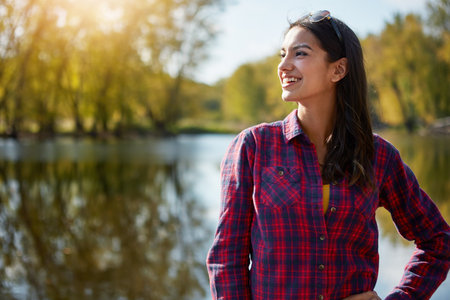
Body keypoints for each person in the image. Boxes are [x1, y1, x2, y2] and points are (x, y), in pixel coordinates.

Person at [206, 9, 450, 300]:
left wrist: (401, 297)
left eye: (300, 54)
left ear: (338, 70)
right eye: (282, 54)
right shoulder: (253, 147)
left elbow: (438, 241)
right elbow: (227, 261)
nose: (283, 65)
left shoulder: (378, 156)